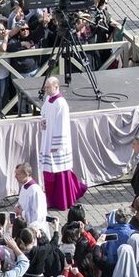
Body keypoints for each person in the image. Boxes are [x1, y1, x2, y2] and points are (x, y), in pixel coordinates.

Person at [38, 76, 87, 210]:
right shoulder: (48, 99)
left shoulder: (61, 103)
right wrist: (42, 120)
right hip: (47, 138)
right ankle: (50, 199)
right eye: (46, 87)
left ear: (56, 86)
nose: (46, 89)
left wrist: (56, 145)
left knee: (60, 173)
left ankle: (62, 199)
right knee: (48, 173)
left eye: (48, 87)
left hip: (57, 144)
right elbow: (43, 113)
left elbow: (62, 125)